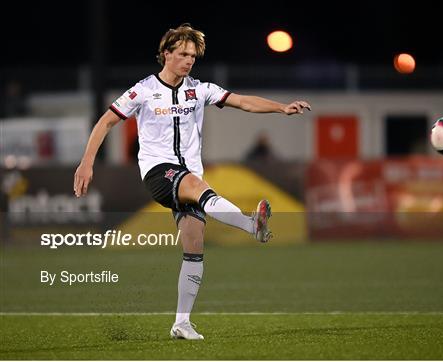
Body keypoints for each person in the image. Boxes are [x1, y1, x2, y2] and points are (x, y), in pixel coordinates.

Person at [73, 23, 311, 340]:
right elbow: (106, 121)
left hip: (189, 176)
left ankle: (181, 323)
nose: (189, 61)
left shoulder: (199, 89)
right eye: (183, 54)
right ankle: (251, 225)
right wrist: (87, 162)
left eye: (193, 56)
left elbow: (242, 101)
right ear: (166, 54)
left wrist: (282, 108)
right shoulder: (143, 90)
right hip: (159, 172)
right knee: (198, 189)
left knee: (194, 245)